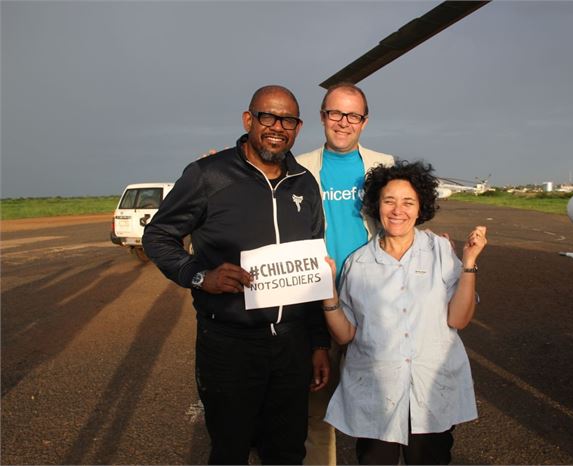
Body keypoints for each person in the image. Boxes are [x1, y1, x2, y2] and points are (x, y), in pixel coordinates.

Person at [142, 85, 331, 465]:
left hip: (292, 345)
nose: (277, 127)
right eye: (268, 116)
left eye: (288, 120)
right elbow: (158, 236)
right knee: (230, 450)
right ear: (248, 120)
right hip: (230, 345)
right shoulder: (207, 175)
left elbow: (311, 269)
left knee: (288, 451)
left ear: (298, 128)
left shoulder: (305, 182)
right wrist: (199, 276)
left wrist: (318, 343)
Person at [320, 161, 487, 464]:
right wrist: (328, 291)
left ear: (421, 207)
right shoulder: (358, 263)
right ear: (376, 205)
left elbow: (458, 319)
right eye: (389, 201)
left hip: (430, 390)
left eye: (408, 202)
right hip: (376, 392)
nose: (398, 210)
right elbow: (345, 334)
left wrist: (469, 263)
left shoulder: (440, 251)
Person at [296, 82, 394, 465]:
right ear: (322, 116)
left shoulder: (384, 164)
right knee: (315, 407)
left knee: (377, 406)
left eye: (353, 115)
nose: (343, 122)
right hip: (315, 302)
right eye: (335, 113)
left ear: (364, 121)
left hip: (370, 304)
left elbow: (401, 219)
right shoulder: (298, 166)